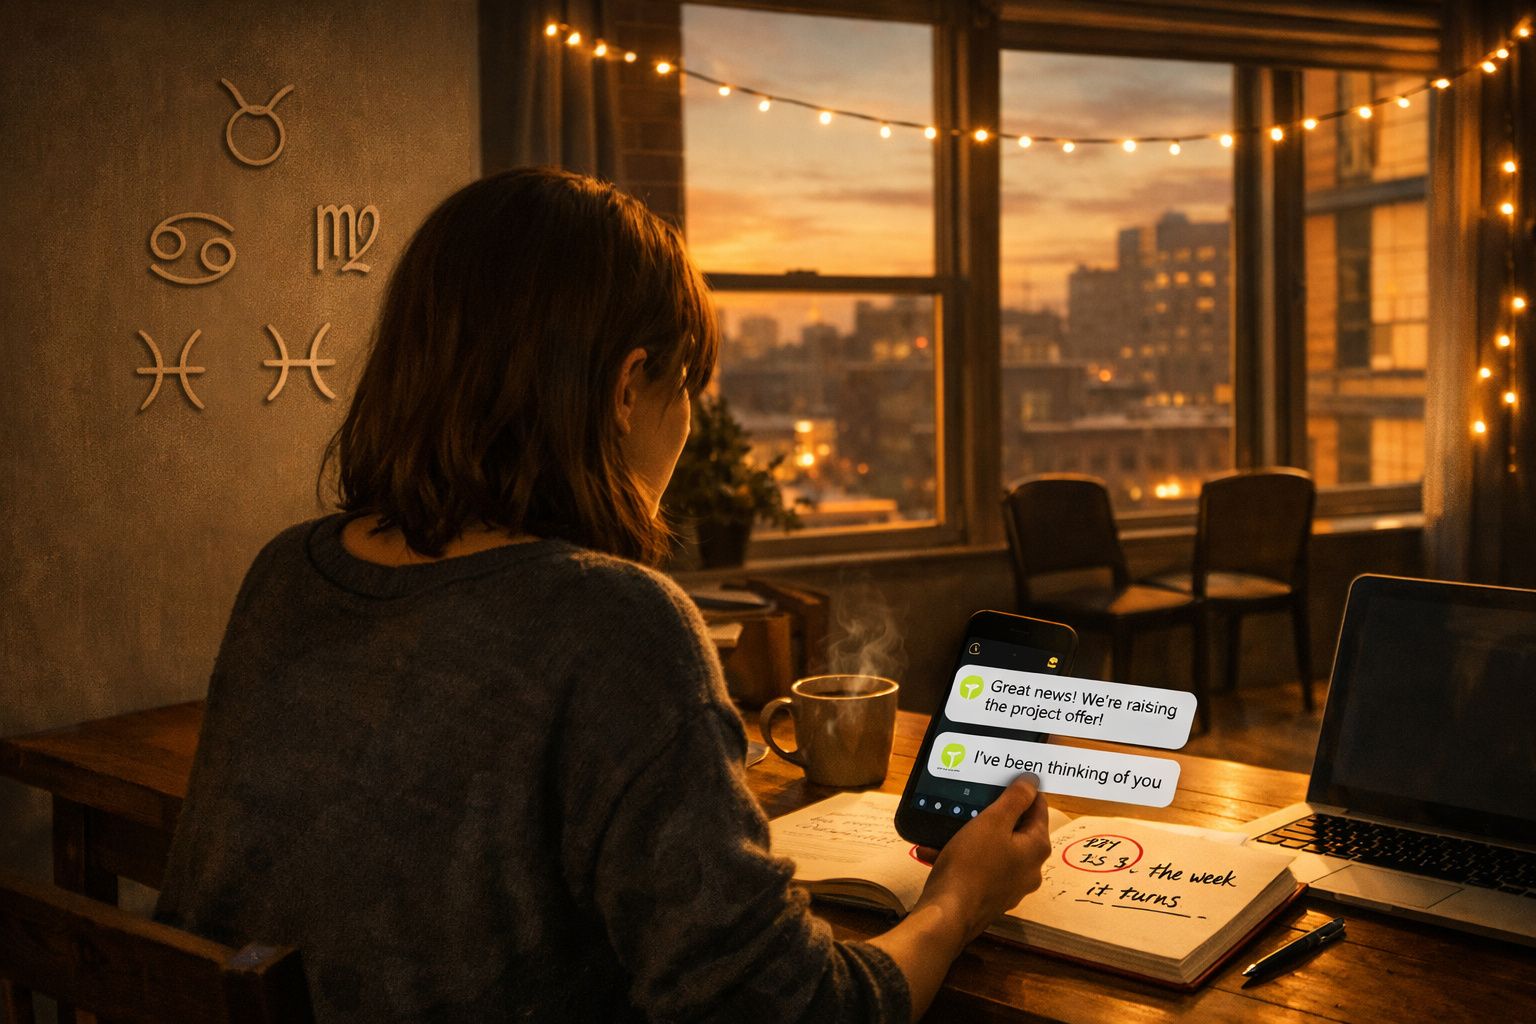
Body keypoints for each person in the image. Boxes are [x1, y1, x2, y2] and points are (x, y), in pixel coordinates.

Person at [154, 167, 1052, 1022]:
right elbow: (788, 1010)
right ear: (628, 389)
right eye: (686, 388)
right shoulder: (614, 623)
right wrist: (961, 897)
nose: (689, 423)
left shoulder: (289, 571)